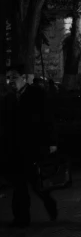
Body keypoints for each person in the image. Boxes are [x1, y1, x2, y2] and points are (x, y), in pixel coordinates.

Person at [0, 64, 58, 227]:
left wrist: (52, 142)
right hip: (15, 147)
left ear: (23, 78)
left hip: (33, 145)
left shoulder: (36, 94)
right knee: (19, 184)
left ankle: (48, 200)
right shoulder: (9, 98)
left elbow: (48, 118)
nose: (11, 81)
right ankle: (21, 217)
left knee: (35, 181)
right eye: (8, 77)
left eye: (14, 77)